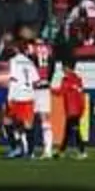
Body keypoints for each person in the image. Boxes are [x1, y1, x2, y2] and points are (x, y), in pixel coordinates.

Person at [22, 26, 56, 159]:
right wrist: (48, 80)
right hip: (45, 86)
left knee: (26, 118)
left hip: (33, 87)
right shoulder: (49, 48)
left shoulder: (30, 48)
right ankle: (48, 150)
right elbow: (52, 66)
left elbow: (28, 65)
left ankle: (27, 149)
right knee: (45, 118)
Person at [5, 40, 40, 158]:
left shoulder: (13, 61)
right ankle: (31, 152)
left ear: (16, 49)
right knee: (28, 124)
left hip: (17, 96)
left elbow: (13, 79)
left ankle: (15, 148)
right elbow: (36, 81)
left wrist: (10, 97)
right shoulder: (30, 62)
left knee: (7, 122)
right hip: (29, 96)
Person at [57, 61, 87, 159]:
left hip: (72, 109)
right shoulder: (78, 79)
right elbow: (81, 94)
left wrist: (50, 89)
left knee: (75, 131)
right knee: (68, 131)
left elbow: (61, 91)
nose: (62, 70)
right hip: (75, 109)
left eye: (64, 68)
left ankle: (82, 151)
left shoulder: (66, 80)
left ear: (68, 68)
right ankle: (61, 151)